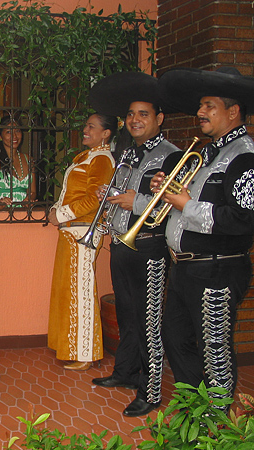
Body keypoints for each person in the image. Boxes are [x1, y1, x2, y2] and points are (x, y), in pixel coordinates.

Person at [153, 67, 254, 405]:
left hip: (217, 270)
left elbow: (243, 219)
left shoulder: (244, 157)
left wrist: (186, 204)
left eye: (209, 106)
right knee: (175, 337)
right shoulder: (210, 153)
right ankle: (196, 412)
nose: (200, 113)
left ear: (233, 111)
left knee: (215, 351)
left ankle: (219, 425)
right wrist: (170, 193)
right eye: (200, 106)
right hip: (185, 269)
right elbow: (195, 203)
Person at [88, 72, 182, 417]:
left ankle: (151, 391)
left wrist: (135, 202)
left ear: (158, 119)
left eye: (143, 114)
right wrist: (111, 197)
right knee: (128, 315)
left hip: (150, 249)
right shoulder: (126, 153)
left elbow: (173, 203)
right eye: (130, 115)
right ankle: (125, 372)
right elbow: (124, 194)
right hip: (122, 246)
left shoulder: (172, 156)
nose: (134, 120)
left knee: (149, 321)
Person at [47, 114, 116, 370]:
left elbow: (95, 198)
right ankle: (73, 346)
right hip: (72, 231)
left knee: (81, 292)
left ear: (106, 133)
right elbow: (70, 193)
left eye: (91, 126)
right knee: (71, 291)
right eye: (86, 125)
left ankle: (85, 353)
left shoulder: (101, 159)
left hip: (83, 230)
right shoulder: (89, 157)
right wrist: (56, 211)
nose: (85, 129)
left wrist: (60, 215)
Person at [0, 116, 36, 206]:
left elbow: (32, 191)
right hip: (1, 214)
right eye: (8, 132)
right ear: (0, 136)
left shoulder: (28, 159)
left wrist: (29, 199)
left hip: (24, 213)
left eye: (17, 131)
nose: (14, 136)